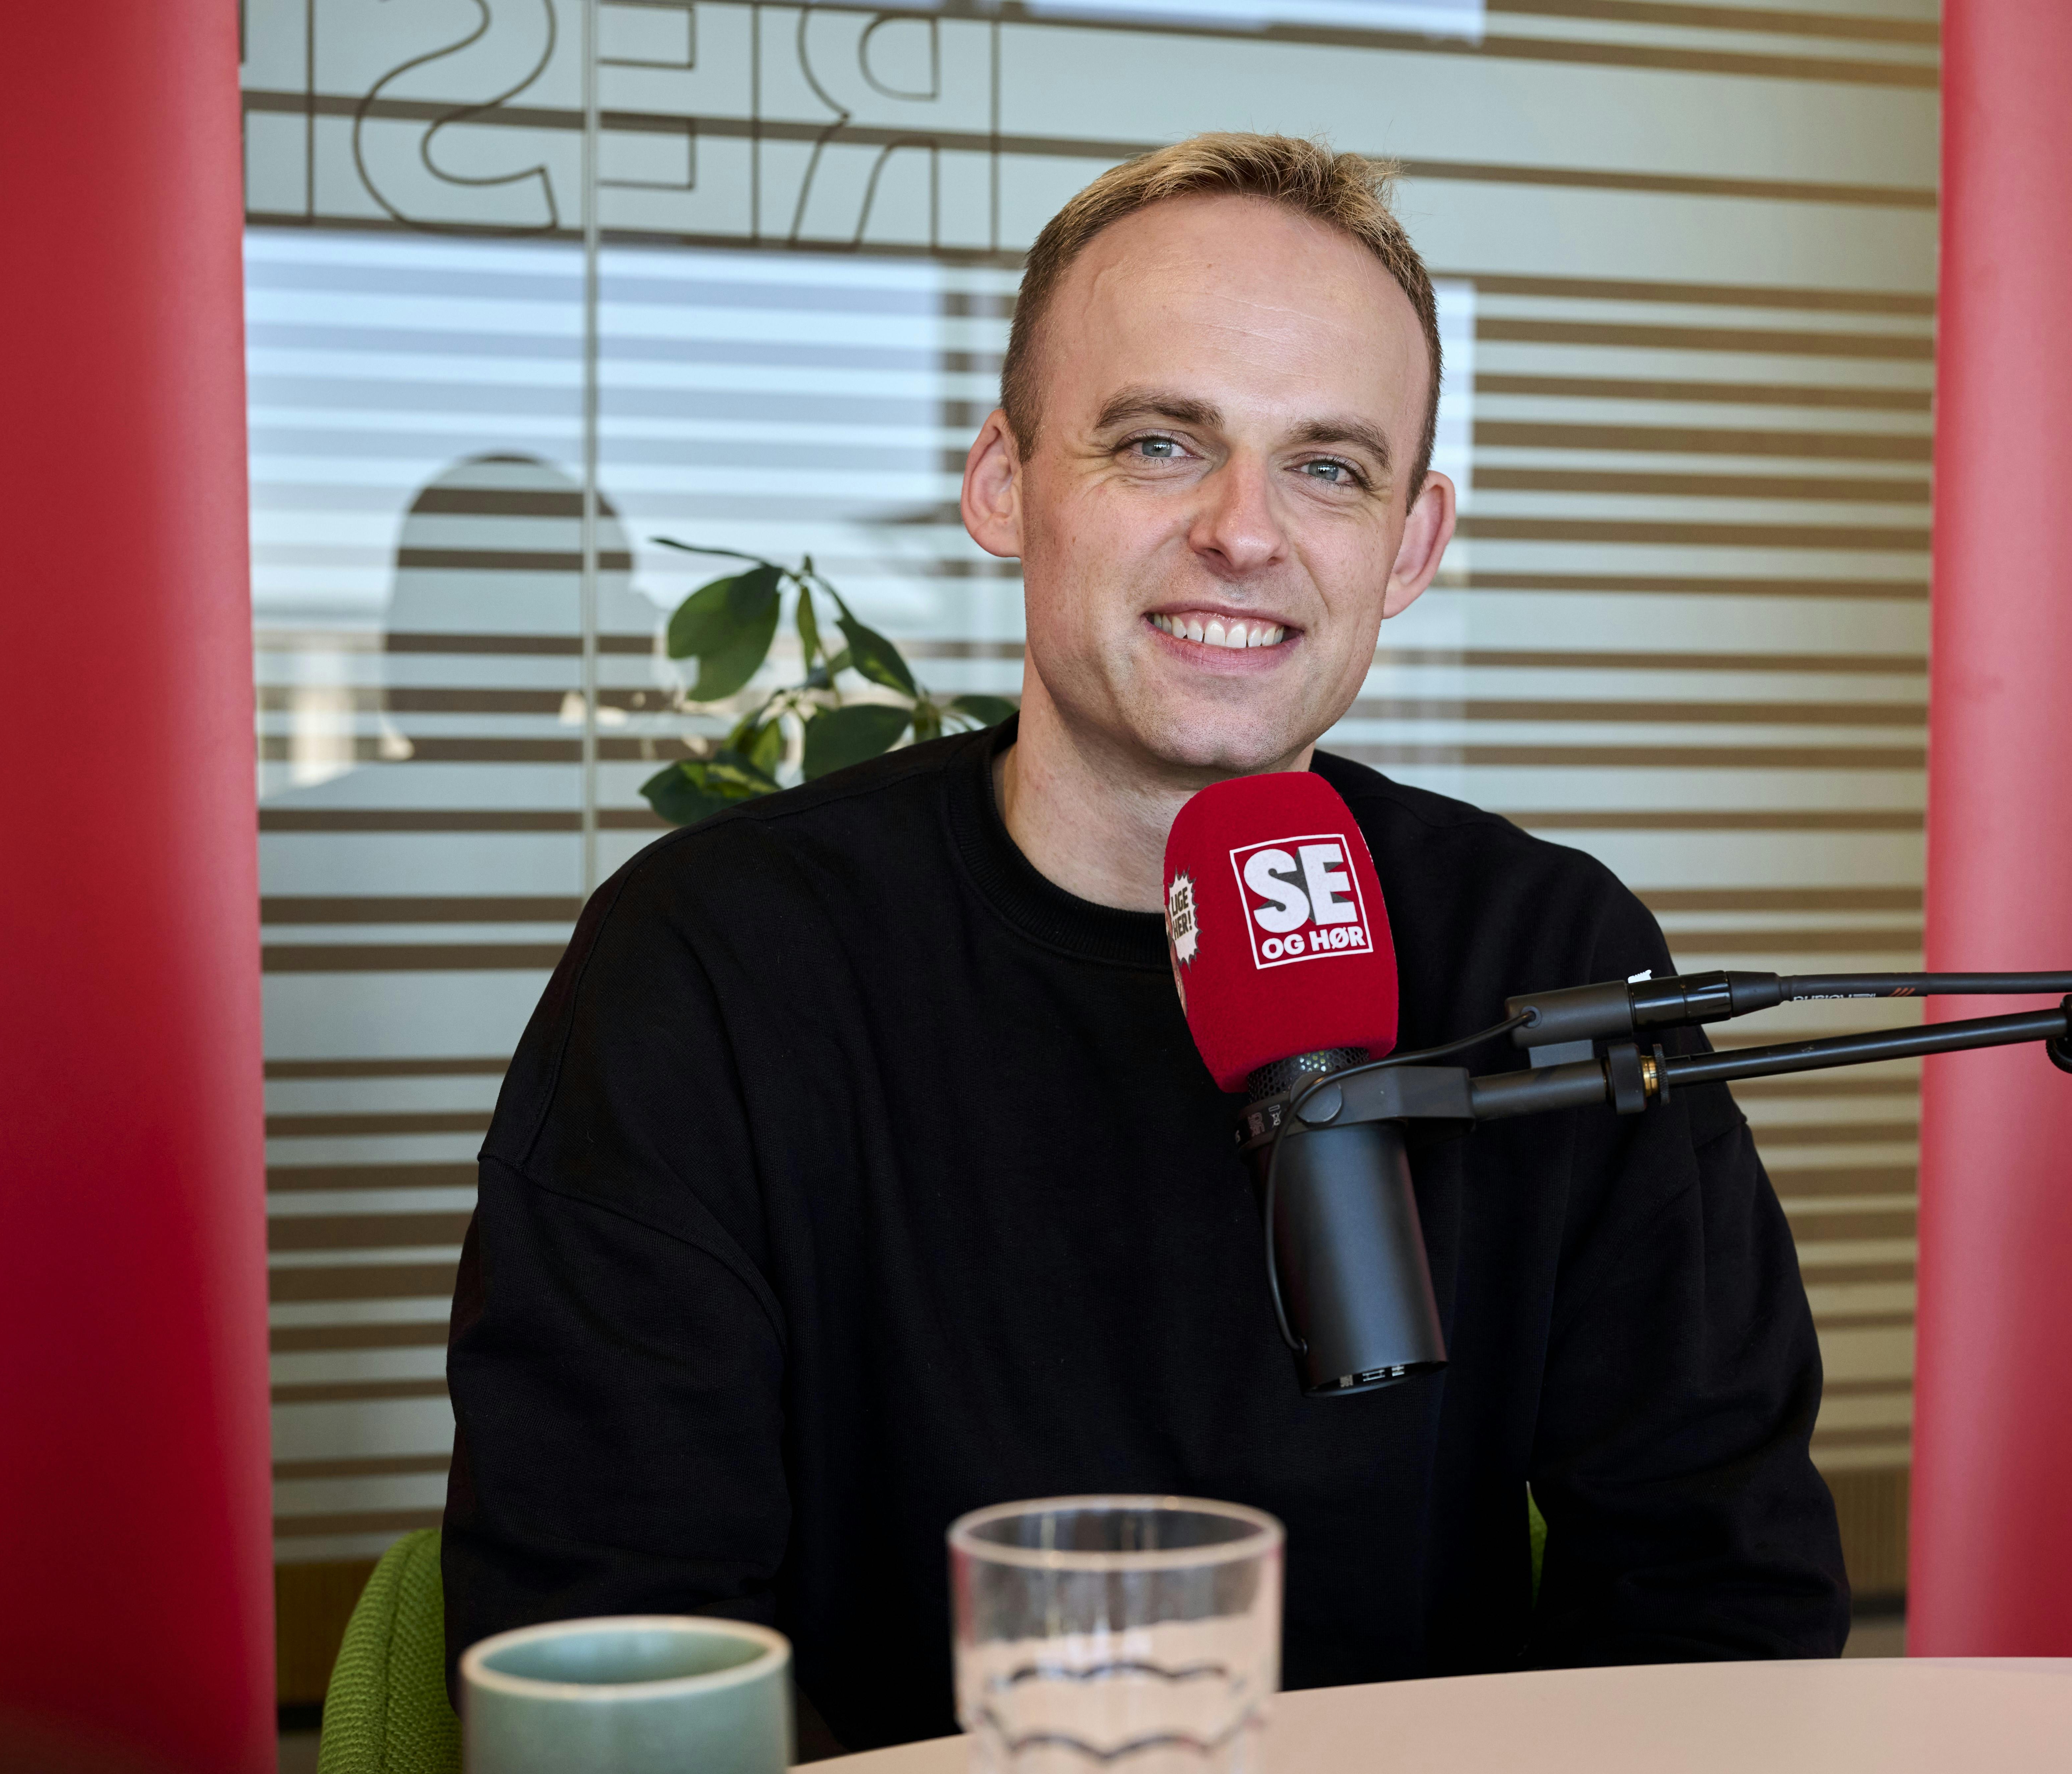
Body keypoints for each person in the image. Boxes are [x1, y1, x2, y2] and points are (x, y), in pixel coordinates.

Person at [442, 132, 1849, 1754]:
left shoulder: (1543, 949)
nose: (1244, 532)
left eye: (1329, 468)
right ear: (1002, 483)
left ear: (1409, 545)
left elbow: (1713, 1593)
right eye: (1161, 443)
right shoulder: (714, 961)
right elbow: (618, 1632)